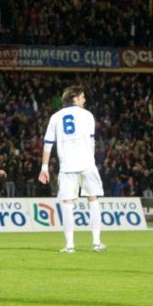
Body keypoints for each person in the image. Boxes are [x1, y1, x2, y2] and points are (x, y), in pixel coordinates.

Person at [38, 85, 106, 253]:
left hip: (67, 165)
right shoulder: (88, 115)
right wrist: (91, 161)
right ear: (74, 98)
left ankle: (70, 245)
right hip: (87, 164)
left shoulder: (55, 117)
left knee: (68, 204)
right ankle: (96, 243)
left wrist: (44, 168)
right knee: (93, 200)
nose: (85, 100)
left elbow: (48, 144)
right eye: (82, 97)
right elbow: (91, 142)